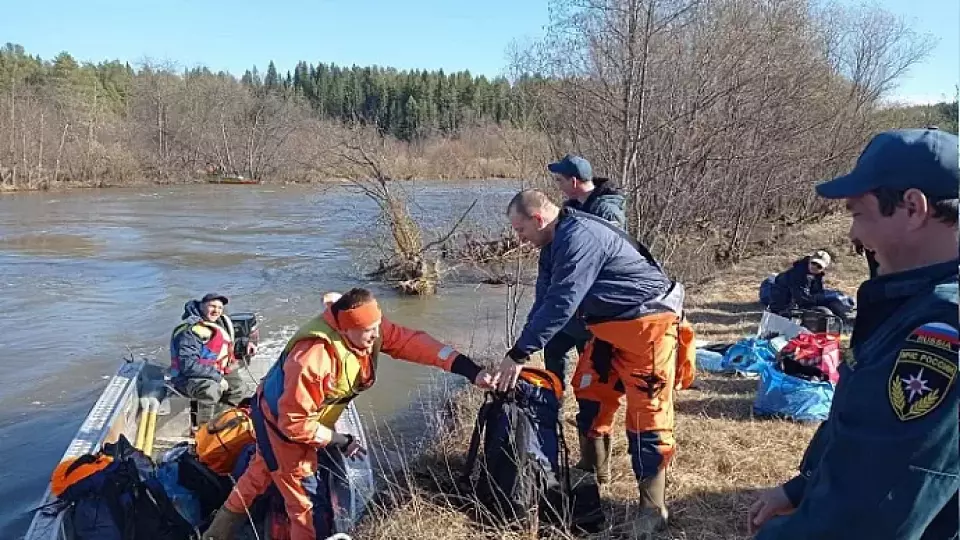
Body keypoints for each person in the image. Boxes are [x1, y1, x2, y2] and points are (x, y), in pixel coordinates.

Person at [748, 127, 959, 539]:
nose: (853, 235)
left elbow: (874, 510)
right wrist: (802, 486)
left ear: (913, 209)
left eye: (858, 213)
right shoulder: (911, 302)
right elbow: (863, 428)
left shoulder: (941, 330)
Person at [203, 288, 494, 540]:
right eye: (369, 332)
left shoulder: (367, 328)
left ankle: (215, 533)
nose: (377, 336)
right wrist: (341, 440)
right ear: (345, 329)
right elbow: (295, 425)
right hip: (282, 428)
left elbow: (413, 343)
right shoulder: (312, 359)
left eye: (377, 327)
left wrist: (469, 369)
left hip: (294, 417)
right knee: (304, 507)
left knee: (258, 475)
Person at [493, 189, 696, 533]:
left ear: (537, 219)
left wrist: (519, 353)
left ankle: (652, 509)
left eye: (520, 230)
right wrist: (521, 349)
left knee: (647, 416)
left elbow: (562, 302)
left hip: (647, 325)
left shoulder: (579, 239)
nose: (519, 238)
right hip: (607, 328)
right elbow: (544, 302)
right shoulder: (551, 243)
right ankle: (592, 467)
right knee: (588, 389)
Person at [539, 154, 628, 389]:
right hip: (574, 305)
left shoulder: (607, 211)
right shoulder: (571, 209)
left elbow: (606, 259)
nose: (557, 186)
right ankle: (552, 399)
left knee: (590, 362)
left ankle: (592, 411)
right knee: (554, 348)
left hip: (594, 305)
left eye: (560, 181)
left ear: (575, 182)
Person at [170, 293, 257, 428]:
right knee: (211, 389)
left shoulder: (216, 324)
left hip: (213, 371)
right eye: (212, 306)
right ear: (201, 306)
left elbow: (224, 343)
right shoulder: (190, 332)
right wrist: (217, 377)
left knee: (239, 389)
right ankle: (204, 430)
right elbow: (187, 365)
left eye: (219, 308)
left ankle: (220, 422)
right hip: (186, 378)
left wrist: (246, 344)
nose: (216, 311)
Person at [762, 250, 854, 322]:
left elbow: (816, 292)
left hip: (794, 299)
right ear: (810, 260)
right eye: (813, 263)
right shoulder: (798, 273)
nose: (815, 267)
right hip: (776, 297)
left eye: (819, 266)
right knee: (824, 310)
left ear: (823, 268)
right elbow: (802, 299)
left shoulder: (816, 275)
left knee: (833, 298)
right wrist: (824, 298)